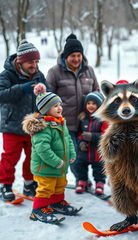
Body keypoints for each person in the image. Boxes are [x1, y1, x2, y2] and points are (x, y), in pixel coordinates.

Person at [22, 83, 80, 224]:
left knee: (60, 184)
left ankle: (56, 203)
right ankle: (38, 210)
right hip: (46, 167)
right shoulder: (42, 127)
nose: (59, 108)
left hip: (59, 166)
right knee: (46, 188)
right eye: (55, 106)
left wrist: (71, 154)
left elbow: (68, 140)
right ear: (45, 109)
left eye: (60, 104)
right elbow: (43, 149)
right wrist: (56, 161)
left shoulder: (60, 122)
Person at [0, 40, 48, 202]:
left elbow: (48, 95)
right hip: (12, 124)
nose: (34, 65)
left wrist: (45, 93)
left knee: (33, 156)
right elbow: (1, 95)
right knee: (10, 157)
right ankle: (4, 185)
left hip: (33, 125)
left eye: (36, 61)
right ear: (20, 61)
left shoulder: (39, 75)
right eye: (30, 62)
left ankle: (29, 184)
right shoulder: (7, 75)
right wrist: (22, 88)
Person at [46, 33, 99, 178]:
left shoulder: (89, 71)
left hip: (86, 123)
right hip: (64, 123)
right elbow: (47, 98)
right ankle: (64, 180)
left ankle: (82, 179)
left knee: (83, 154)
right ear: (65, 56)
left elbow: (97, 93)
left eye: (78, 55)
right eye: (72, 56)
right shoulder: (54, 72)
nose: (76, 59)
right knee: (69, 154)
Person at [74, 91, 108, 194]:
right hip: (84, 150)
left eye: (94, 103)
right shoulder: (83, 117)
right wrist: (81, 142)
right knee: (80, 166)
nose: (91, 106)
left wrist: (92, 136)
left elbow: (105, 135)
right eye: (88, 103)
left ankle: (99, 184)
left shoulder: (103, 119)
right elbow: (79, 133)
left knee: (99, 169)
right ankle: (82, 181)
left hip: (97, 152)